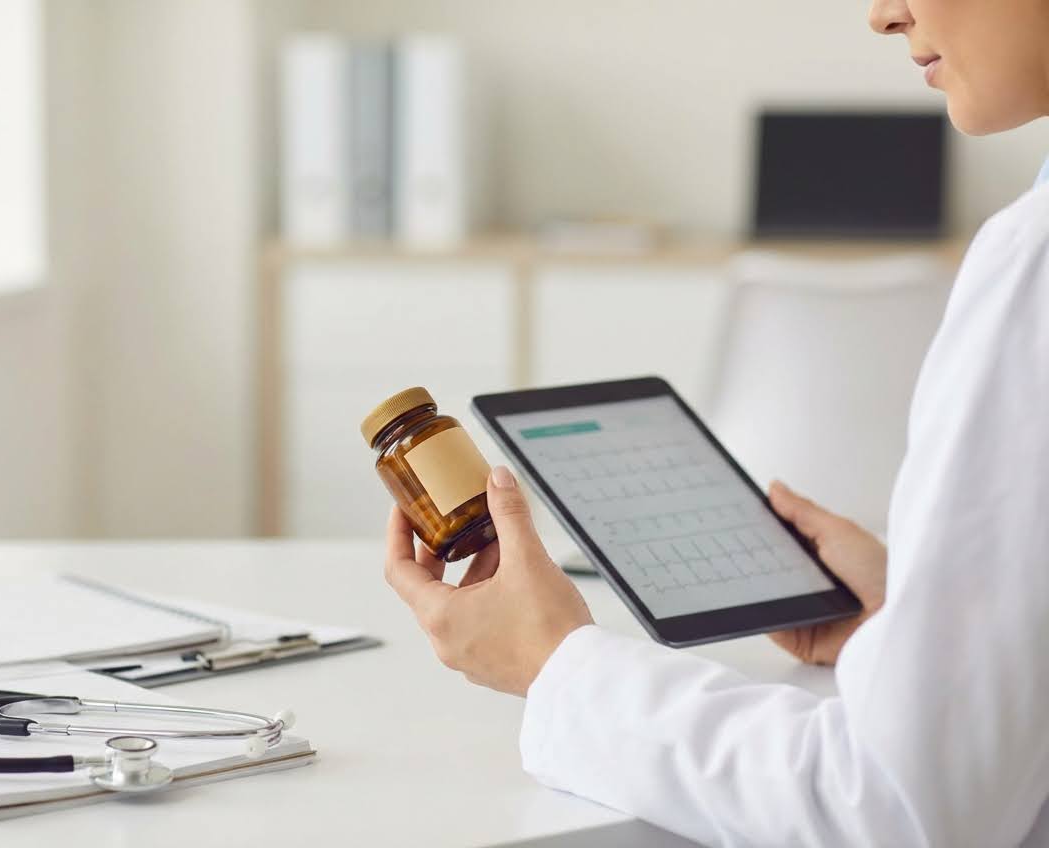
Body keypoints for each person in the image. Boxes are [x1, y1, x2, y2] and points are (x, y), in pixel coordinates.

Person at [382, 1, 1049, 845]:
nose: (885, 14)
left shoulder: (1032, 263)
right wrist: (914, 629)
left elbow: (894, 809)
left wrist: (555, 663)